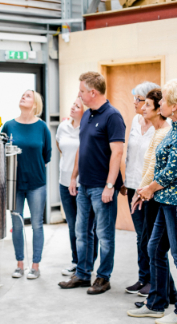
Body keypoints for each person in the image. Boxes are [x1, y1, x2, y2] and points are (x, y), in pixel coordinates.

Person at [127, 79, 177, 324]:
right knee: (155, 249)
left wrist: (148, 189)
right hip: (167, 200)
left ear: (176, 106)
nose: (161, 105)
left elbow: (170, 172)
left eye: (165, 101)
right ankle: (156, 304)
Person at [58, 71, 126, 295]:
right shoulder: (87, 115)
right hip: (84, 185)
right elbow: (81, 148)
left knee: (104, 234)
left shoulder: (112, 116)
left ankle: (103, 277)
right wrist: (74, 176)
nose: (79, 95)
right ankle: (83, 273)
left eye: (81, 91)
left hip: (101, 187)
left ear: (93, 92)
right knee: (82, 232)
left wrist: (109, 186)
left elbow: (117, 153)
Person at [131, 88, 177, 307]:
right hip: (149, 194)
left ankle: (160, 295)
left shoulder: (164, 132)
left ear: (160, 109)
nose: (143, 107)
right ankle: (170, 293)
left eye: (148, 105)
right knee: (153, 248)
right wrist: (140, 191)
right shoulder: (158, 132)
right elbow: (149, 167)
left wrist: (141, 192)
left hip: (155, 197)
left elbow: (153, 171)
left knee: (154, 248)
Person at [2, 90, 52, 280]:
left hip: (37, 183)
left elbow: (46, 155)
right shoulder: (8, 126)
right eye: (22, 95)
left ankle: (35, 266)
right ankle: (19, 264)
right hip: (14, 184)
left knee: (37, 225)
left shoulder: (42, 127)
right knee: (17, 223)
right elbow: (2, 152)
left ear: (35, 104)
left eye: (28, 96)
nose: (23, 97)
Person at [121, 82, 158, 296]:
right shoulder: (135, 120)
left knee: (149, 236)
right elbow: (130, 154)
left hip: (148, 190)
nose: (135, 103)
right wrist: (126, 181)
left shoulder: (161, 126)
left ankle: (154, 280)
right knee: (140, 235)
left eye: (138, 99)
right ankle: (143, 277)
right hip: (133, 186)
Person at [56, 97, 98, 277]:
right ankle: (76, 261)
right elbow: (61, 148)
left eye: (77, 106)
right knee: (72, 225)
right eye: (72, 104)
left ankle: (87, 263)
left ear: (85, 110)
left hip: (83, 184)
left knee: (86, 227)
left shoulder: (88, 128)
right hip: (64, 182)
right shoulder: (63, 127)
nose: (73, 107)